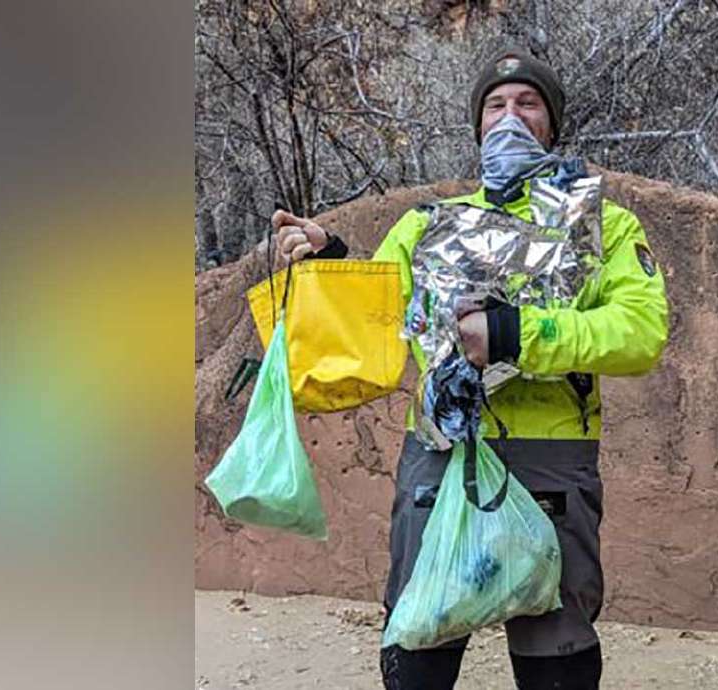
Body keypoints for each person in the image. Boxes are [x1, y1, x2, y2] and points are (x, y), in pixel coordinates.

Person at [269, 48, 669, 690]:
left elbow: (640, 332)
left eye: (527, 103)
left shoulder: (605, 226)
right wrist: (330, 259)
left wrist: (516, 334)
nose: (509, 117)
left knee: (556, 649)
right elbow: (381, 316)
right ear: (478, 125)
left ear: (552, 124)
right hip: (440, 454)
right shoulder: (426, 224)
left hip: (551, 460)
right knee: (420, 634)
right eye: (495, 105)